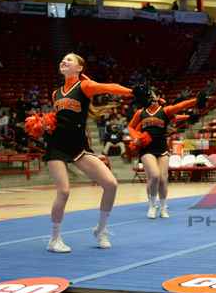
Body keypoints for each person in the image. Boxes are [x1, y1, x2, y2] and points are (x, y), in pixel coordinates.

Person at [43, 53, 133, 253]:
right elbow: (58, 119)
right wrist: (45, 124)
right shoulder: (55, 94)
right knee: (64, 191)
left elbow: (109, 87)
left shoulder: (84, 86)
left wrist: (132, 92)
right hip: (56, 145)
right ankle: (54, 239)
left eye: (69, 60)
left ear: (79, 68)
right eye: (63, 59)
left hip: (78, 147)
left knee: (110, 184)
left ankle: (100, 230)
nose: (64, 61)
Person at [128, 90, 197, 219]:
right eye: (148, 95)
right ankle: (152, 205)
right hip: (146, 148)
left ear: (158, 97)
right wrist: (135, 137)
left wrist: (196, 101)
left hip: (162, 148)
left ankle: (163, 206)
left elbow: (180, 107)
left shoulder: (165, 110)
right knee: (154, 176)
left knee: (163, 179)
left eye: (153, 95)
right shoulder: (140, 112)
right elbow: (130, 127)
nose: (150, 97)